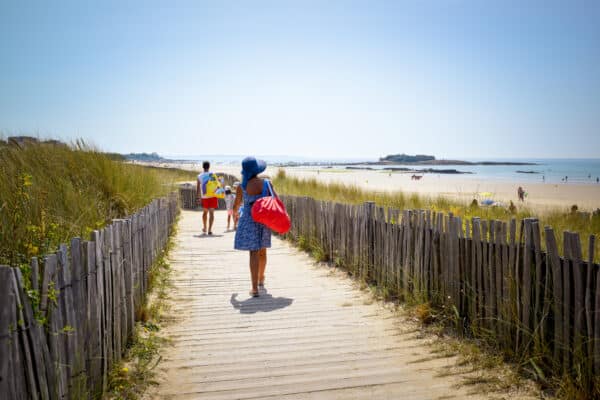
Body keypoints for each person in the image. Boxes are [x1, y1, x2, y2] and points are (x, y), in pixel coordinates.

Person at [233, 157, 273, 297]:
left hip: (249, 221)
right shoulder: (267, 184)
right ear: (257, 170)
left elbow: (236, 205)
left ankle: (254, 288)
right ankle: (261, 278)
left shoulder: (241, 186)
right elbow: (275, 201)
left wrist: (235, 215)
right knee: (262, 251)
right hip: (263, 220)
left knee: (253, 253)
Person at [196, 161, 220, 235]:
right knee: (212, 213)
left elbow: (198, 188)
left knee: (205, 212)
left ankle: (205, 227)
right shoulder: (213, 175)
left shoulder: (199, 176)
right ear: (209, 167)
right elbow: (218, 185)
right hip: (213, 195)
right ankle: (210, 229)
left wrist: (198, 197)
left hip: (205, 196)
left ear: (203, 167)